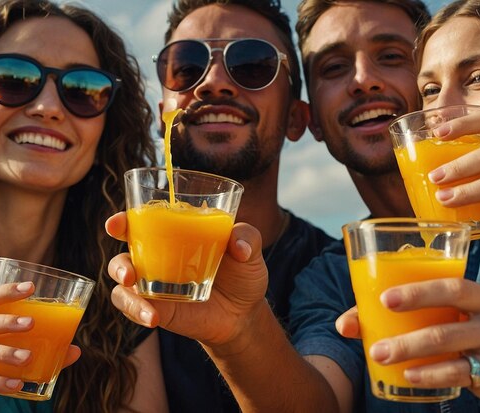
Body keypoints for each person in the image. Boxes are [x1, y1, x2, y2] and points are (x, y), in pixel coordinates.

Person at [106, 0, 480, 412]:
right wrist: (238, 332)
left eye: (391, 57)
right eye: (333, 68)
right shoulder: (338, 273)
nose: (363, 81)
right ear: (309, 119)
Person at [107, 0, 335, 411]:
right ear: (164, 114)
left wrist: (240, 332)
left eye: (251, 65)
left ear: (295, 118)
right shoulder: (105, 265)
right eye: (186, 66)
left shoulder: (337, 271)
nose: (212, 83)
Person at [0, 1, 167, 412]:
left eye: (82, 89)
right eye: (13, 78)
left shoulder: (120, 292)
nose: (48, 108)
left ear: (107, 126)